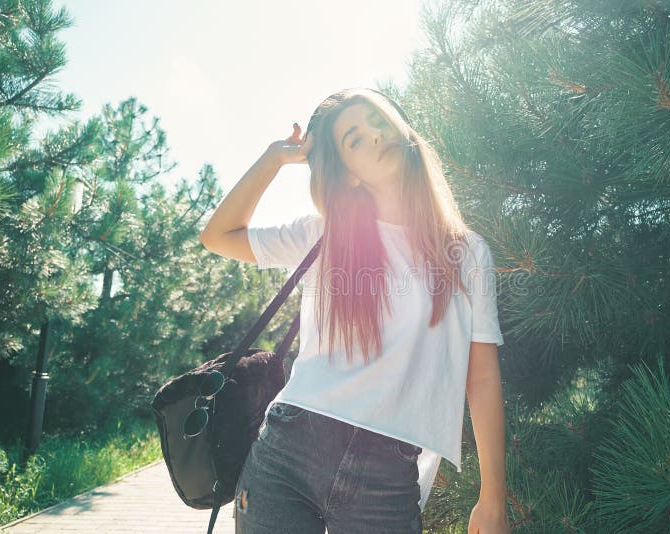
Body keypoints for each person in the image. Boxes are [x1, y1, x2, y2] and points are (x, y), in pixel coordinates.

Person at [198, 88, 511, 534]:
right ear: (348, 175)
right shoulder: (324, 235)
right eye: (355, 139)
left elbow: (480, 377)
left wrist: (493, 496)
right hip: (288, 452)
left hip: (388, 473)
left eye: (378, 121)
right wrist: (274, 158)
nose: (376, 136)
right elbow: (218, 235)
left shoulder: (467, 253)